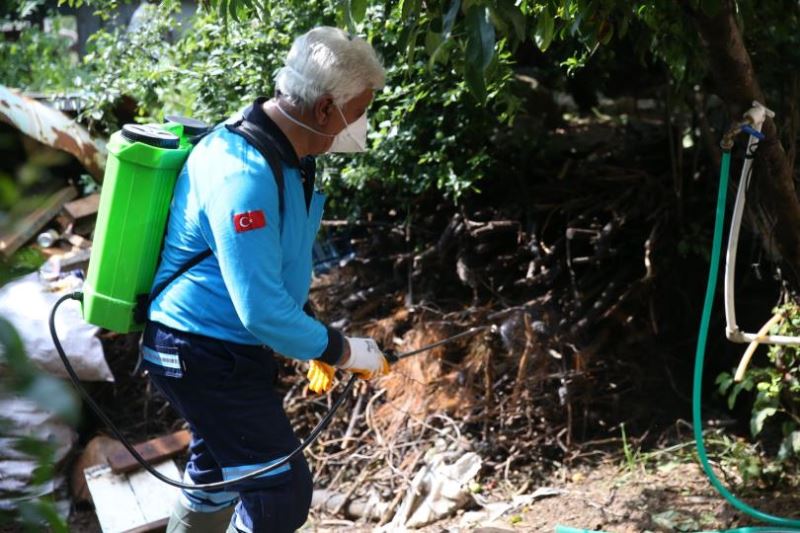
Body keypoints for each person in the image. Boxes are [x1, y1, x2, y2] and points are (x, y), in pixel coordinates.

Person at [139, 26, 390, 533]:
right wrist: (343, 350)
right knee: (280, 489)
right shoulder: (243, 172)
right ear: (325, 109)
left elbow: (275, 267)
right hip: (200, 350)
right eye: (359, 111)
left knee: (218, 474)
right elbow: (259, 310)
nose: (362, 124)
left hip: (222, 348)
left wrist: (313, 333)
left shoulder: (290, 156)